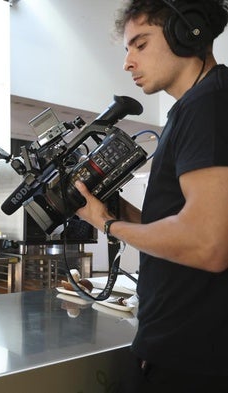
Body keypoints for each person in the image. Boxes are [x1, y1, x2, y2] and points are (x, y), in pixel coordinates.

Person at [73, 1, 228, 392]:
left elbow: (208, 244)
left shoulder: (208, 104)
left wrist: (107, 224)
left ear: (187, 31)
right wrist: (119, 212)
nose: (128, 62)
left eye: (139, 45)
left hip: (192, 359)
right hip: (178, 347)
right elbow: (184, 226)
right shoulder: (191, 108)